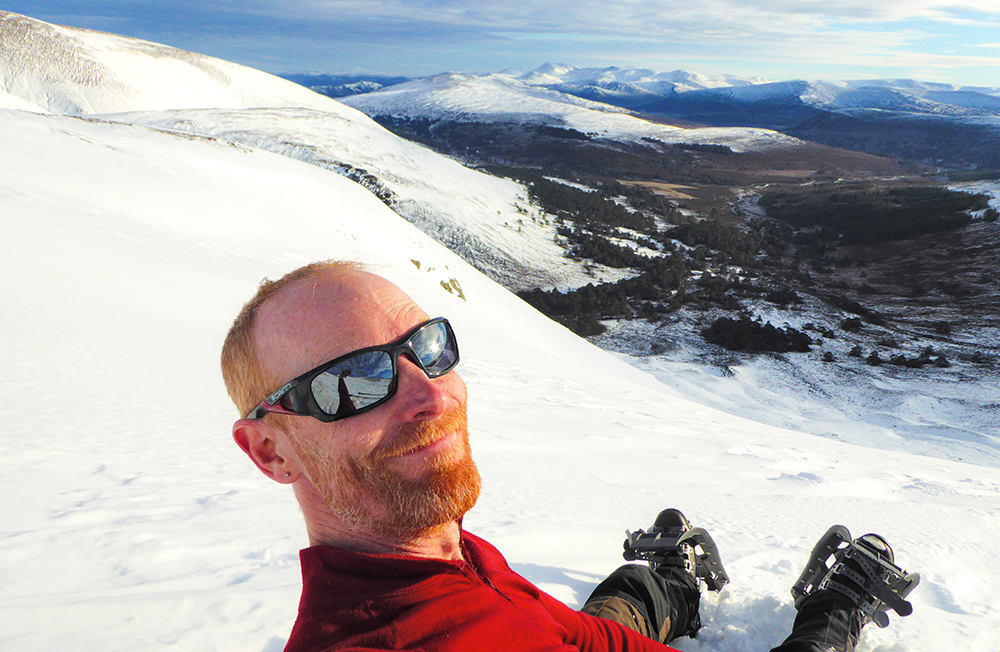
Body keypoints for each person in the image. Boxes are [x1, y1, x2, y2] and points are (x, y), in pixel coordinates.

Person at [221, 260, 912, 652]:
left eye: (426, 347)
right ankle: (833, 613)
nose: (430, 396)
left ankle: (668, 590)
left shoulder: (442, 559)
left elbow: (573, 638)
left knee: (619, 601)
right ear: (270, 451)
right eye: (353, 382)